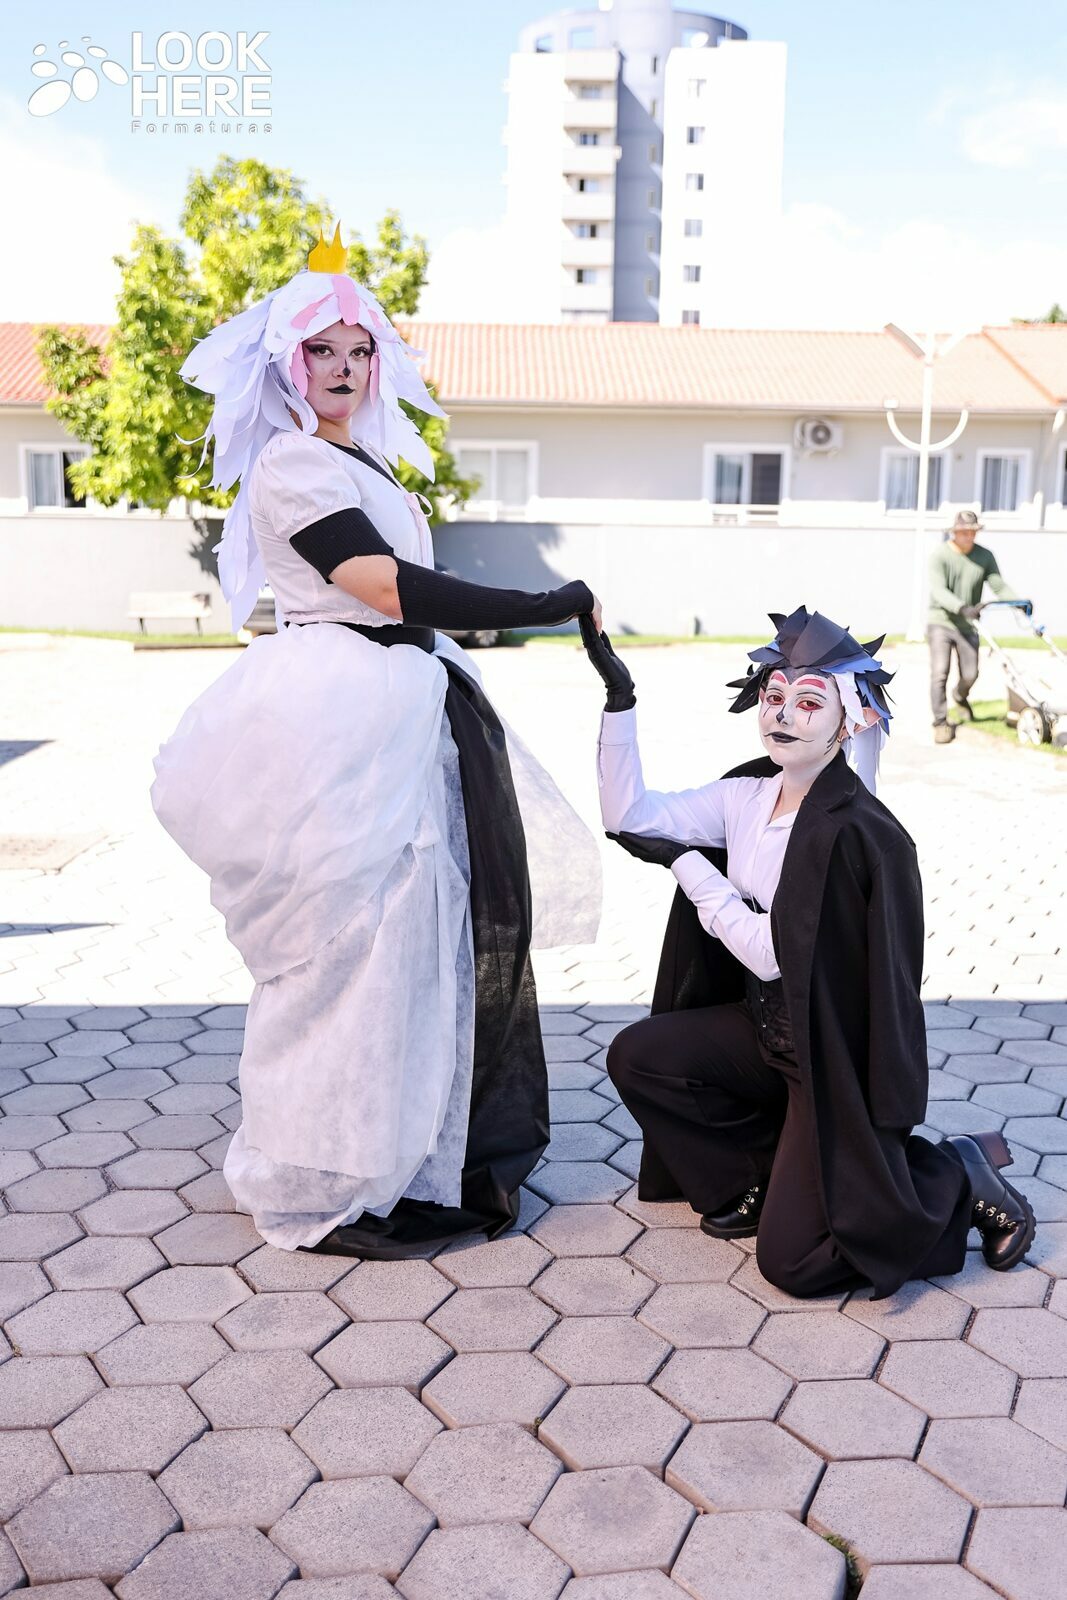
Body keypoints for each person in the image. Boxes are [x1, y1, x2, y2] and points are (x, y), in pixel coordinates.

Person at [151, 226, 603, 1257]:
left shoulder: (366, 462)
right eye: (322, 350)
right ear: (287, 363)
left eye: (359, 350)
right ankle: (319, 1172)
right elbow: (379, 585)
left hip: (398, 707)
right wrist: (535, 604)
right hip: (339, 714)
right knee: (340, 955)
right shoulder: (291, 466)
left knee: (408, 946)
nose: (344, 368)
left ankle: (400, 1158)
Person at [580, 606, 1036, 1298]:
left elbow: (770, 954)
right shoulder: (747, 795)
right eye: (774, 697)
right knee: (640, 1056)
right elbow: (629, 817)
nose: (783, 715)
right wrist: (620, 698)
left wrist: (688, 865)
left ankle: (955, 1174)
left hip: (828, 1060)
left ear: (847, 724)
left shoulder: (848, 829)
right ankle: (757, 1183)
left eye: (809, 702)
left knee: (793, 1263)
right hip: (767, 1029)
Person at [929, 509, 1015, 744]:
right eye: (964, 532)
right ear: (955, 532)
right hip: (941, 622)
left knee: (971, 674)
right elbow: (938, 591)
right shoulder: (940, 556)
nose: (969, 536)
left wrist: (1018, 603)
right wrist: (962, 607)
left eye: (973, 532)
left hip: (968, 625)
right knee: (940, 673)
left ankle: (959, 696)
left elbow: (998, 585)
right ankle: (940, 722)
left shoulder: (985, 556)